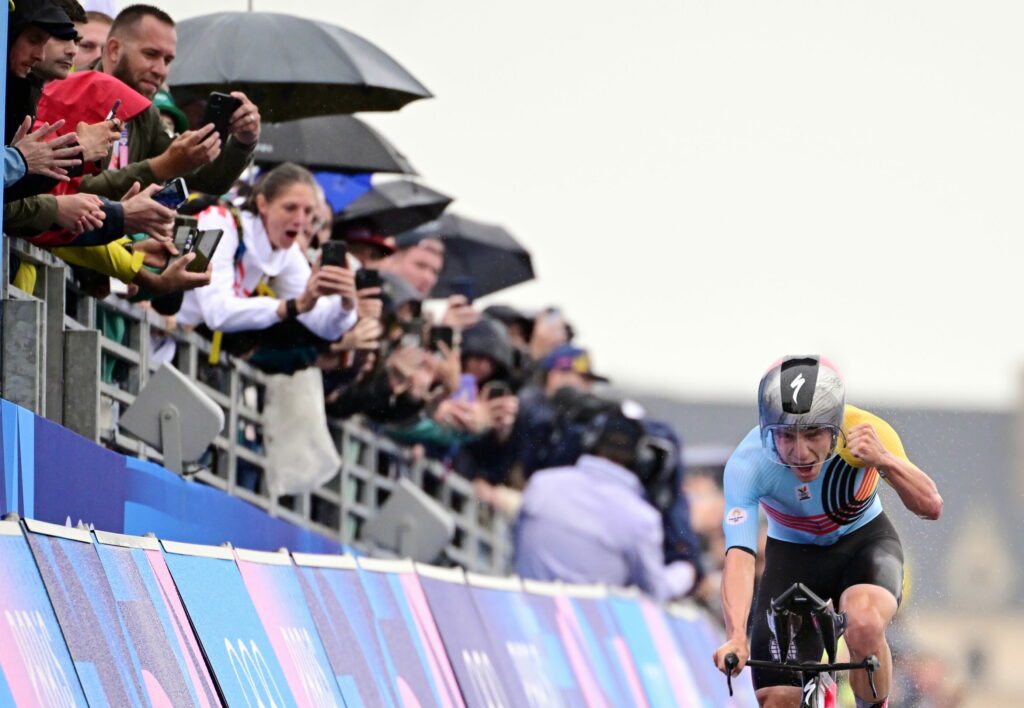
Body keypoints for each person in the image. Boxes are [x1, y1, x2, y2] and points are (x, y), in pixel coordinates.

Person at [712, 356, 943, 708]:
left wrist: (885, 461)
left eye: (814, 434)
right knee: (776, 699)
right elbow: (740, 557)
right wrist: (735, 636)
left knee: (864, 623)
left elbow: (931, 507)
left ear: (836, 426)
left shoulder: (866, 432)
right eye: (786, 435)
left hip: (863, 544)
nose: (800, 452)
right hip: (792, 559)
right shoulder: (749, 463)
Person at [514, 401, 696, 601]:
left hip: (525, 619)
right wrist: (685, 572)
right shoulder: (641, 519)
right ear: (642, 459)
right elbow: (654, 592)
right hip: (589, 629)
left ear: (591, 442)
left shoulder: (541, 484)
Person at [176, 162, 358, 360]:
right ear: (262, 204)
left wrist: (346, 303)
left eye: (308, 212)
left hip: (174, 342)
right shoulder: (216, 221)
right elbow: (217, 313)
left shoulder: (286, 252)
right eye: (290, 208)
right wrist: (291, 306)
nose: (300, 221)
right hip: (146, 324)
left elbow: (325, 326)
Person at [78, 4, 259, 199]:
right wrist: (162, 166)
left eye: (168, 60)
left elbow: (209, 181)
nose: (160, 70)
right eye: (150, 54)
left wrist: (244, 141)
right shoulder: (67, 97)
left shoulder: (146, 114)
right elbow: (70, 189)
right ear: (114, 50)